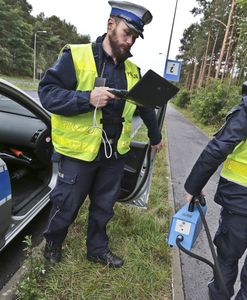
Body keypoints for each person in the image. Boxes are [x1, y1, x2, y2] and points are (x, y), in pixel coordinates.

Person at [38, 0, 162, 268]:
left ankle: (97, 249)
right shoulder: (76, 56)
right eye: (126, 33)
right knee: (66, 204)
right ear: (110, 25)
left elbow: (147, 105)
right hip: (79, 152)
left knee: (104, 207)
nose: (130, 41)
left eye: (135, 37)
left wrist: (155, 136)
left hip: (114, 154)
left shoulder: (132, 70)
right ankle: (53, 243)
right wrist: (87, 99)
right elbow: (47, 94)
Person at [184, 84, 247, 299]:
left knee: (226, 261)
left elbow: (218, 148)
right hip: (240, 202)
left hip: (241, 203)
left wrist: (193, 186)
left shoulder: (246, 110)